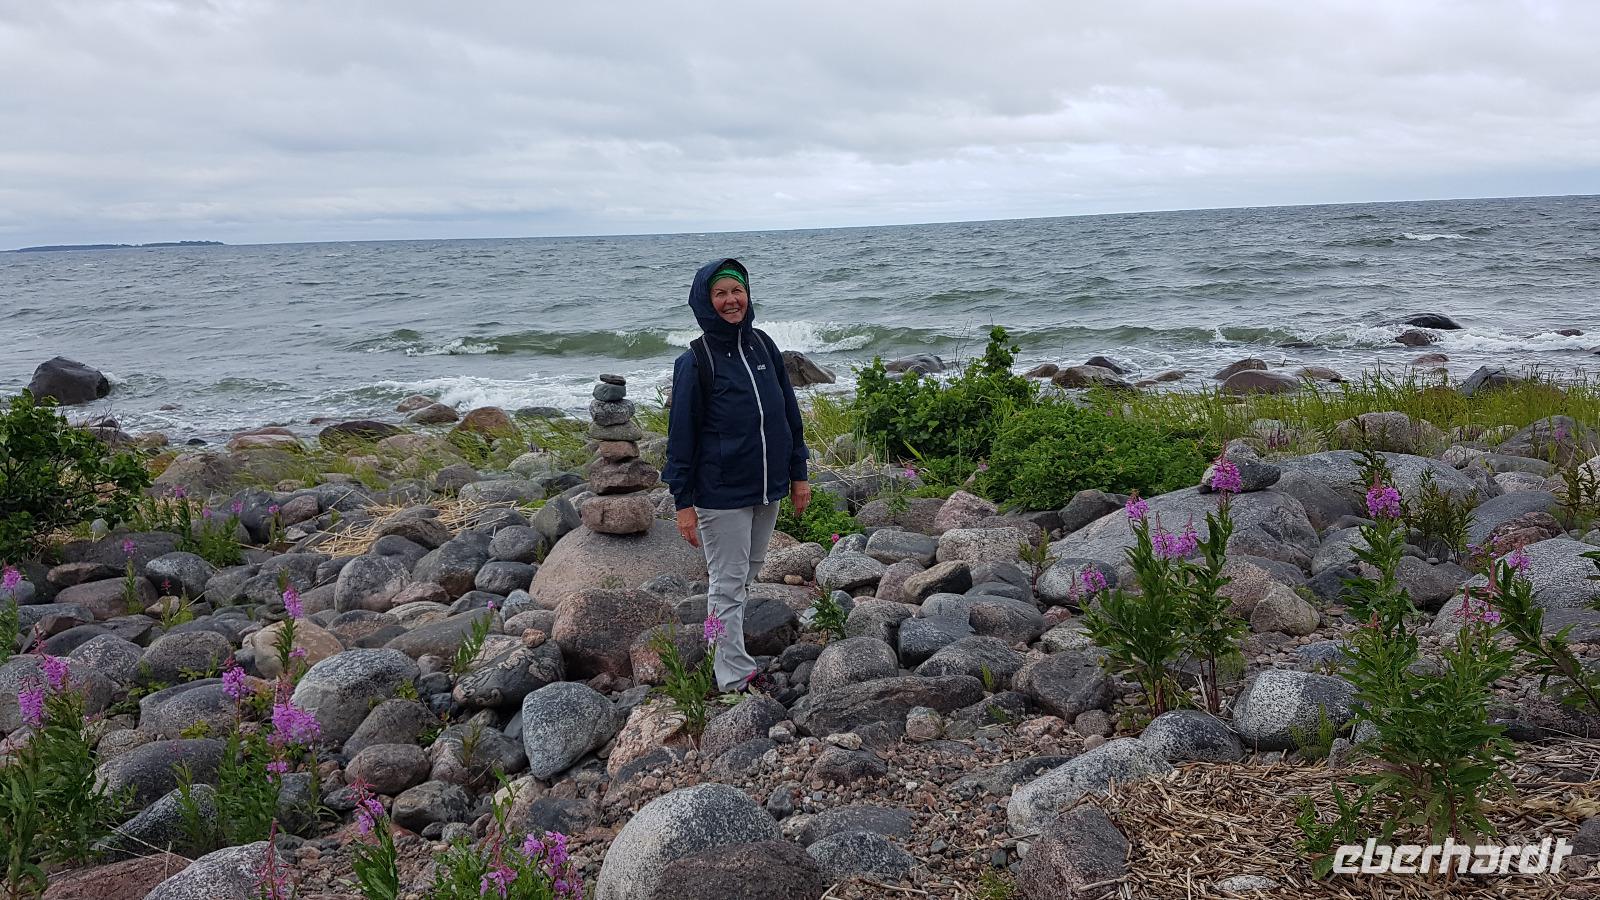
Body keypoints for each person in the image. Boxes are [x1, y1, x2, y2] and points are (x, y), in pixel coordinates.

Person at [663, 258, 811, 692]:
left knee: (744, 577)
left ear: (747, 295)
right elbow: (681, 438)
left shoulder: (763, 345)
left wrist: (798, 473)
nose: (731, 301)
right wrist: (683, 503)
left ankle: (715, 648)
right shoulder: (696, 361)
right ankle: (732, 674)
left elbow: (788, 414)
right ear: (705, 301)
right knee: (727, 585)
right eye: (720, 293)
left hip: (767, 486)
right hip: (720, 492)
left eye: (737, 291)